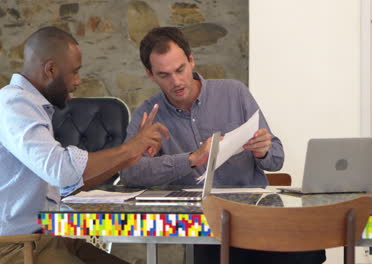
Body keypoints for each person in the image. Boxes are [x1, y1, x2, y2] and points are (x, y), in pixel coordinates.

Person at [0, 26, 168, 264]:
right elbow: (61, 171)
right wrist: (131, 147)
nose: (78, 81)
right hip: (5, 250)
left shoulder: (31, 106)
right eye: (75, 72)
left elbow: (64, 185)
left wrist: (129, 157)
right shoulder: (14, 104)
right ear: (50, 69)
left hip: (39, 240)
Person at [120, 27, 325, 263]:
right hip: (204, 226)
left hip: (257, 218)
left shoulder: (234, 92)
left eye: (180, 69)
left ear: (191, 61)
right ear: (150, 74)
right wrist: (191, 159)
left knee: (309, 251)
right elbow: (129, 173)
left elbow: (277, 158)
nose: (176, 81)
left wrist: (263, 151)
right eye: (164, 75)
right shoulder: (149, 113)